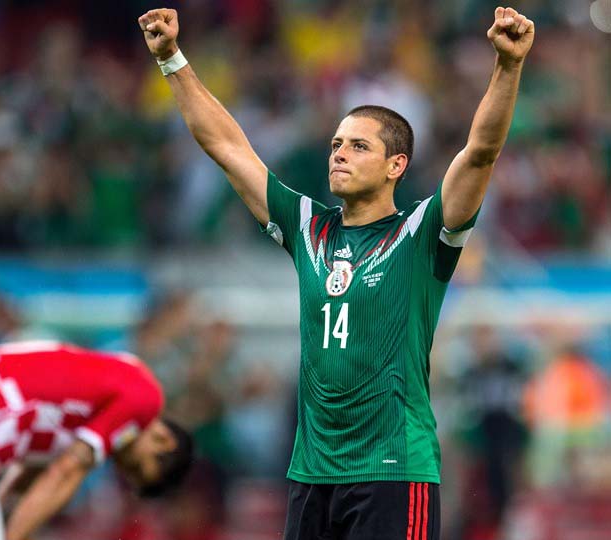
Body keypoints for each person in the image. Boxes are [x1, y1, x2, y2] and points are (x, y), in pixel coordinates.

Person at [138, 6, 534, 539]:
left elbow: (480, 153)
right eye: (336, 145)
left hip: (394, 472)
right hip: (313, 475)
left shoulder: (420, 234)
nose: (339, 154)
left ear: (397, 165)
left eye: (358, 145)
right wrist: (171, 60)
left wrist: (507, 68)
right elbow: (227, 147)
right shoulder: (308, 227)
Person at [0, 340, 194, 540]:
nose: (120, 464)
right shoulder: (146, 398)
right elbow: (68, 470)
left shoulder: (90, 392)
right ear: (164, 440)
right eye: (137, 467)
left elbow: (26, 482)